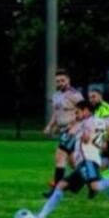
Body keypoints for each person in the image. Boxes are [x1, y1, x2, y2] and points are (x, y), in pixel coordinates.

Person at [42, 69, 84, 197]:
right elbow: (57, 113)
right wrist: (50, 126)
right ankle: (80, 183)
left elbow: (84, 112)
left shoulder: (75, 95)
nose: (60, 83)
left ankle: (55, 190)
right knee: (73, 162)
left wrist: (74, 126)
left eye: (62, 80)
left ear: (68, 80)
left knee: (60, 157)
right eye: (57, 81)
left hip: (73, 130)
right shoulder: (56, 95)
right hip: (63, 130)